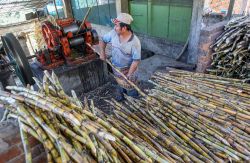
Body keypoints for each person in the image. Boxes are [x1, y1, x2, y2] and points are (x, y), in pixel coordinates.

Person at [99, 13, 141, 101]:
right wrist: (102, 52)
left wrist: (129, 74)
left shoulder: (135, 42)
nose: (114, 28)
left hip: (129, 71)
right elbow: (103, 40)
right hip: (116, 69)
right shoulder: (113, 33)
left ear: (124, 28)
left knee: (131, 89)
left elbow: (136, 61)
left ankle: (133, 103)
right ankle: (122, 97)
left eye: (117, 26)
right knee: (120, 85)